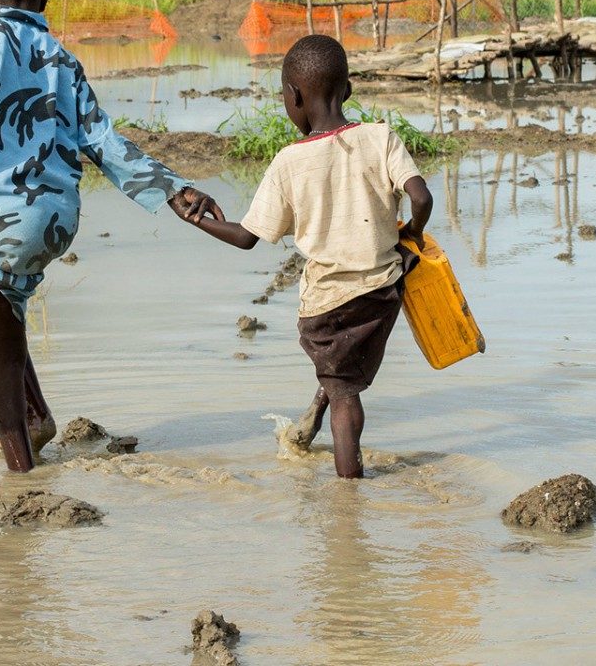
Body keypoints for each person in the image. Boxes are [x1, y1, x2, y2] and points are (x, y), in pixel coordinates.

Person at [0, 0, 213, 472]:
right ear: (45, 0)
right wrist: (172, 189)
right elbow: (103, 140)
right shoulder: (61, 58)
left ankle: (20, 469)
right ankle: (37, 417)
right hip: (56, 219)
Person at [180, 34, 433, 479]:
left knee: (346, 397)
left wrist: (195, 220)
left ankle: (348, 499)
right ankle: (313, 417)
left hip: (328, 308)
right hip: (384, 293)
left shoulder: (289, 163)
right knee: (344, 376)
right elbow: (421, 197)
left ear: (293, 96)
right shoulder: (381, 137)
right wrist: (411, 233)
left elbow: (246, 237)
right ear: (348, 90)